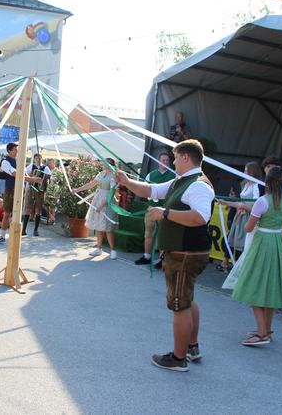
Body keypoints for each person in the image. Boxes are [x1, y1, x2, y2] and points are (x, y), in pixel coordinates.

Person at [115, 139, 214, 372]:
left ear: (186, 158)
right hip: (184, 252)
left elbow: (201, 217)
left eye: (176, 157)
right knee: (187, 299)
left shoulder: (198, 184)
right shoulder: (182, 181)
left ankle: (179, 358)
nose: (173, 161)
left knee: (179, 305)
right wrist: (128, 182)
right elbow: (151, 190)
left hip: (185, 252)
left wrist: (165, 213)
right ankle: (191, 347)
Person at [231, 166, 282, 346]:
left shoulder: (262, 201)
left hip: (262, 243)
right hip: (276, 242)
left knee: (253, 284)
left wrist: (246, 212)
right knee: (270, 285)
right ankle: (267, 329)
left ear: (267, 181)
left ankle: (261, 333)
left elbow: (248, 228)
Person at [217, 162, 262, 272]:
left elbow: (256, 205)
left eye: (247, 170)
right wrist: (226, 202)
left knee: (244, 244)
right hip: (240, 216)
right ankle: (238, 268)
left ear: (253, 172)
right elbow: (240, 203)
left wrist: (241, 205)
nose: (244, 172)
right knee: (236, 242)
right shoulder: (246, 184)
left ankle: (243, 270)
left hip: (248, 217)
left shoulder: (256, 185)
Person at [0, 143, 40, 245]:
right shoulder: (5, 162)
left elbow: (23, 173)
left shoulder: (18, 160)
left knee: (17, 214)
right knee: (6, 213)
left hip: (19, 189)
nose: (17, 151)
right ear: (9, 151)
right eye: (15, 149)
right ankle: (2, 236)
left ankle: (14, 236)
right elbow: (16, 174)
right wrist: (32, 179)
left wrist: (32, 178)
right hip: (10, 189)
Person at [72, 158, 119, 259]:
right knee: (98, 226)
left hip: (107, 202)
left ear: (111, 165)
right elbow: (91, 184)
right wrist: (77, 190)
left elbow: (111, 193)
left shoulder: (114, 177)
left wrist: (101, 205)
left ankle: (113, 250)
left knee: (108, 228)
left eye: (106, 163)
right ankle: (99, 248)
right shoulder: (101, 174)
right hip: (98, 199)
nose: (103, 164)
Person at [136, 152, 175, 267]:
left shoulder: (174, 175)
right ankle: (146, 256)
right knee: (148, 232)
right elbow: (145, 190)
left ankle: (162, 260)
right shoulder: (151, 175)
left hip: (165, 209)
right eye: (163, 160)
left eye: (167, 160)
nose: (165, 162)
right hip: (152, 207)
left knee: (163, 235)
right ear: (158, 161)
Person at [23, 153, 51, 237]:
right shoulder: (31, 166)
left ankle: (36, 230)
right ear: (34, 159)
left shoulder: (45, 168)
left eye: (38, 158)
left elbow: (50, 178)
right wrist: (31, 177)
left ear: (41, 159)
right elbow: (24, 173)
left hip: (40, 190)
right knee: (27, 208)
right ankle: (24, 229)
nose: (37, 160)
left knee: (38, 210)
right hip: (30, 188)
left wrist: (44, 180)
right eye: (36, 158)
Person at [44, 158, 59, 225]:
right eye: (49, 163)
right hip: (48, 189)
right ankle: (51, 217)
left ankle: (52, 220)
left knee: (53, 206)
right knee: (45, 205)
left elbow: (57, 180)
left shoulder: (57, 171)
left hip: (54, 190)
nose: (50, 164)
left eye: (51, 163)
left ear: (54, 163)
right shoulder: (47, 170)